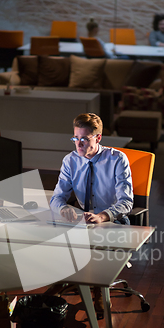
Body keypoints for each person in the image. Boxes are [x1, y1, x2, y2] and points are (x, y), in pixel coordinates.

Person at [50, 113, 133, 314]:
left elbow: (126, 202)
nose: (78, 144)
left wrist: (102, 216)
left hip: (112, 221)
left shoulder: (116, 159)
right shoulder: (70, 160)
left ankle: (97, 290)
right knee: (48, 233)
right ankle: (63, 283)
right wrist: (63, 209)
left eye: (84, 139)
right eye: (75, 138)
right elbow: (56, 198)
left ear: (98, 138)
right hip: (83, 220)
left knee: (92, 241)